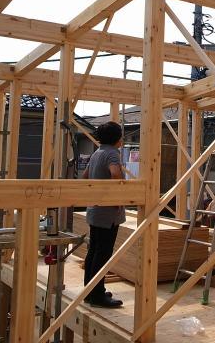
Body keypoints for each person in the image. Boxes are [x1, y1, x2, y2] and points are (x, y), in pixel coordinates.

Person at [82, 121, 125, 308]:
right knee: (103, 254)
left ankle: (90, 292)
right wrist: (117, 199)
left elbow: (85, 176)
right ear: (117, 138)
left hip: (95, 210)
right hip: (107, 214)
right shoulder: (112, 153)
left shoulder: (97, 153)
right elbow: (115, 173)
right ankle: (97, 295)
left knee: (94, 251)